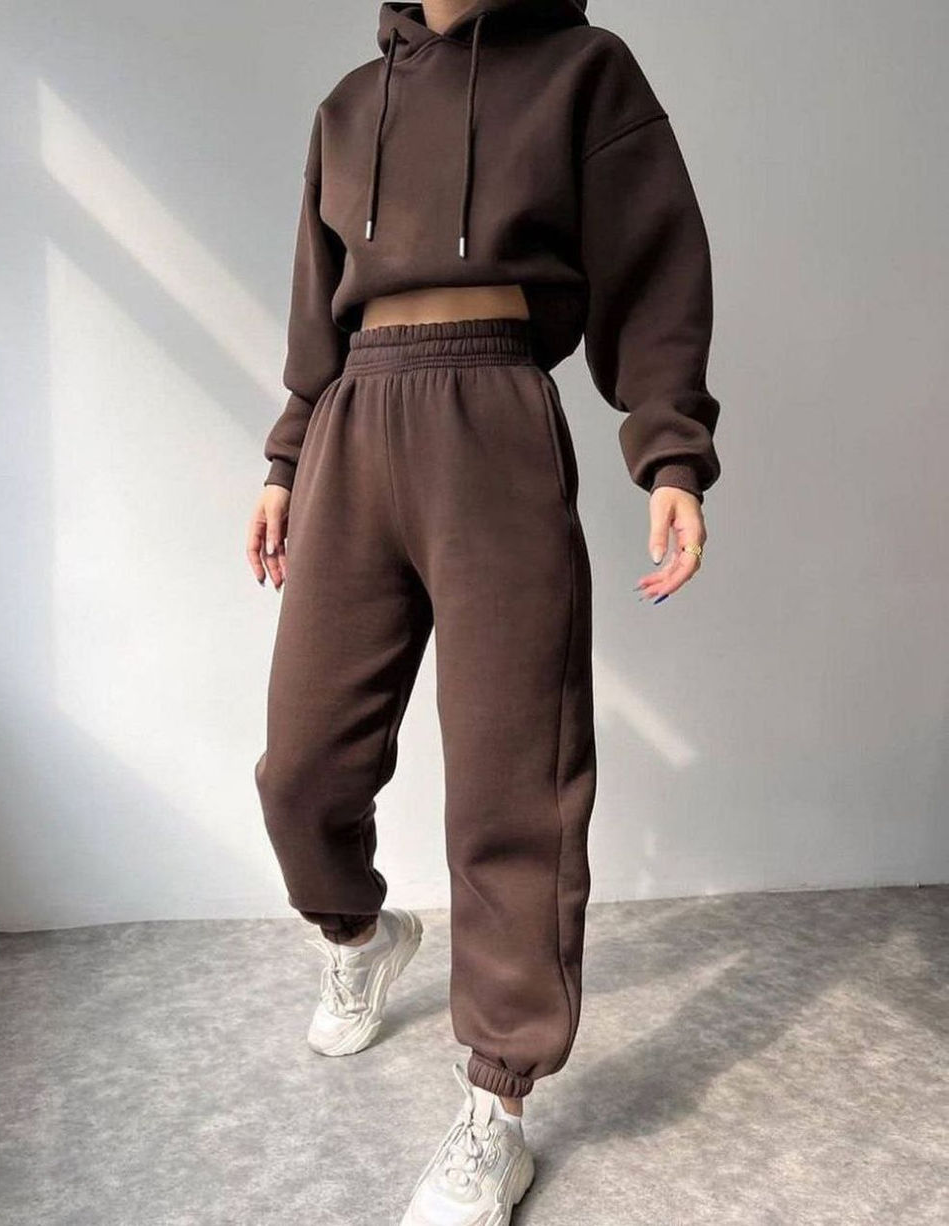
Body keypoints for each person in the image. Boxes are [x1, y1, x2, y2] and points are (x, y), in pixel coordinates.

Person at [246, 0, 721, 1220]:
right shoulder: (348, 106)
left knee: (514, 778)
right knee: (301, 765)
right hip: (354, 421)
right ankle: (359, 934)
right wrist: (287, 458)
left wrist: (669, 453)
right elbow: (315, 308)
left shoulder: (582, 71)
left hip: (496, 415)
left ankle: (496, 1104)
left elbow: (653, 266)